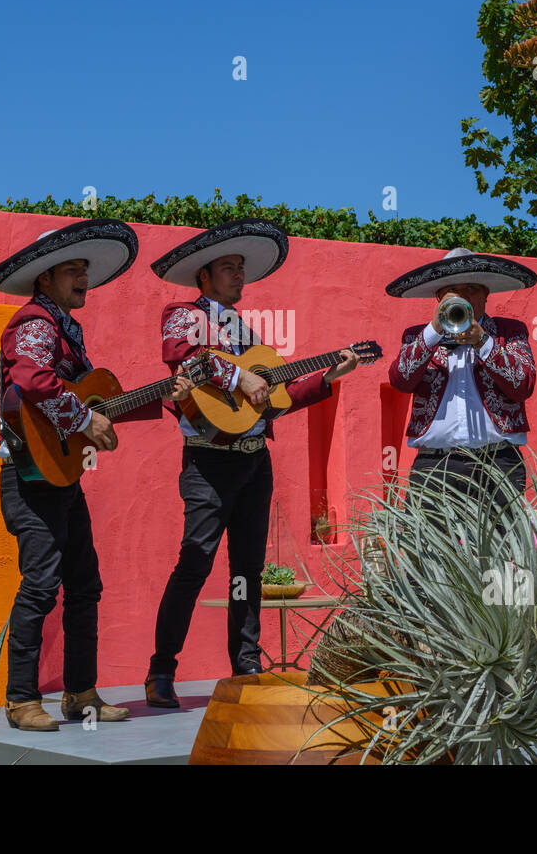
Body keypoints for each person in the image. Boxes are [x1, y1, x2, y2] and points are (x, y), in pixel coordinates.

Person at [0, 220, 191, 731]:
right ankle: (20, 699)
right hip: (30, 479)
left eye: (85, 270)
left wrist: (163, 397)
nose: (84, 278)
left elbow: (96, 403)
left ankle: (80, 695)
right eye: (73, 270)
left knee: (84, 585)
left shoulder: (65, 328)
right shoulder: (34, 321)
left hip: (60, 479)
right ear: (46, 277)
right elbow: (30, 379)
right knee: (40, 585)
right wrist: (82, 419)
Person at [144, 218, 360, 708]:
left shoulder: (245, 329)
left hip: (253, 461)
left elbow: (273, 400)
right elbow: (183, 357)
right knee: (194, 563)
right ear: (204, 276)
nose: (239, 275)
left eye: (242, 268)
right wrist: (240, 377)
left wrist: (327, 377)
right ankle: (161, 670)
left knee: (248, 568)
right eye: (229, 267)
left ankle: (245, 668)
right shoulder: (183, 313)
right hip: (207, 462)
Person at [384, 246, 537, 524]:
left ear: (485, 295)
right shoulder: (417, 336)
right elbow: (401, 379)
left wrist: (483, 341)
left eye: (471, 288)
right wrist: (433, 331)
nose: (463, 297)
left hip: (498, 463)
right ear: (439, 298)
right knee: (427, 558)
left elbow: (523, 384)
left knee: (500, 555)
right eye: (452, 292)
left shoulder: (509, 332)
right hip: (434, 465)